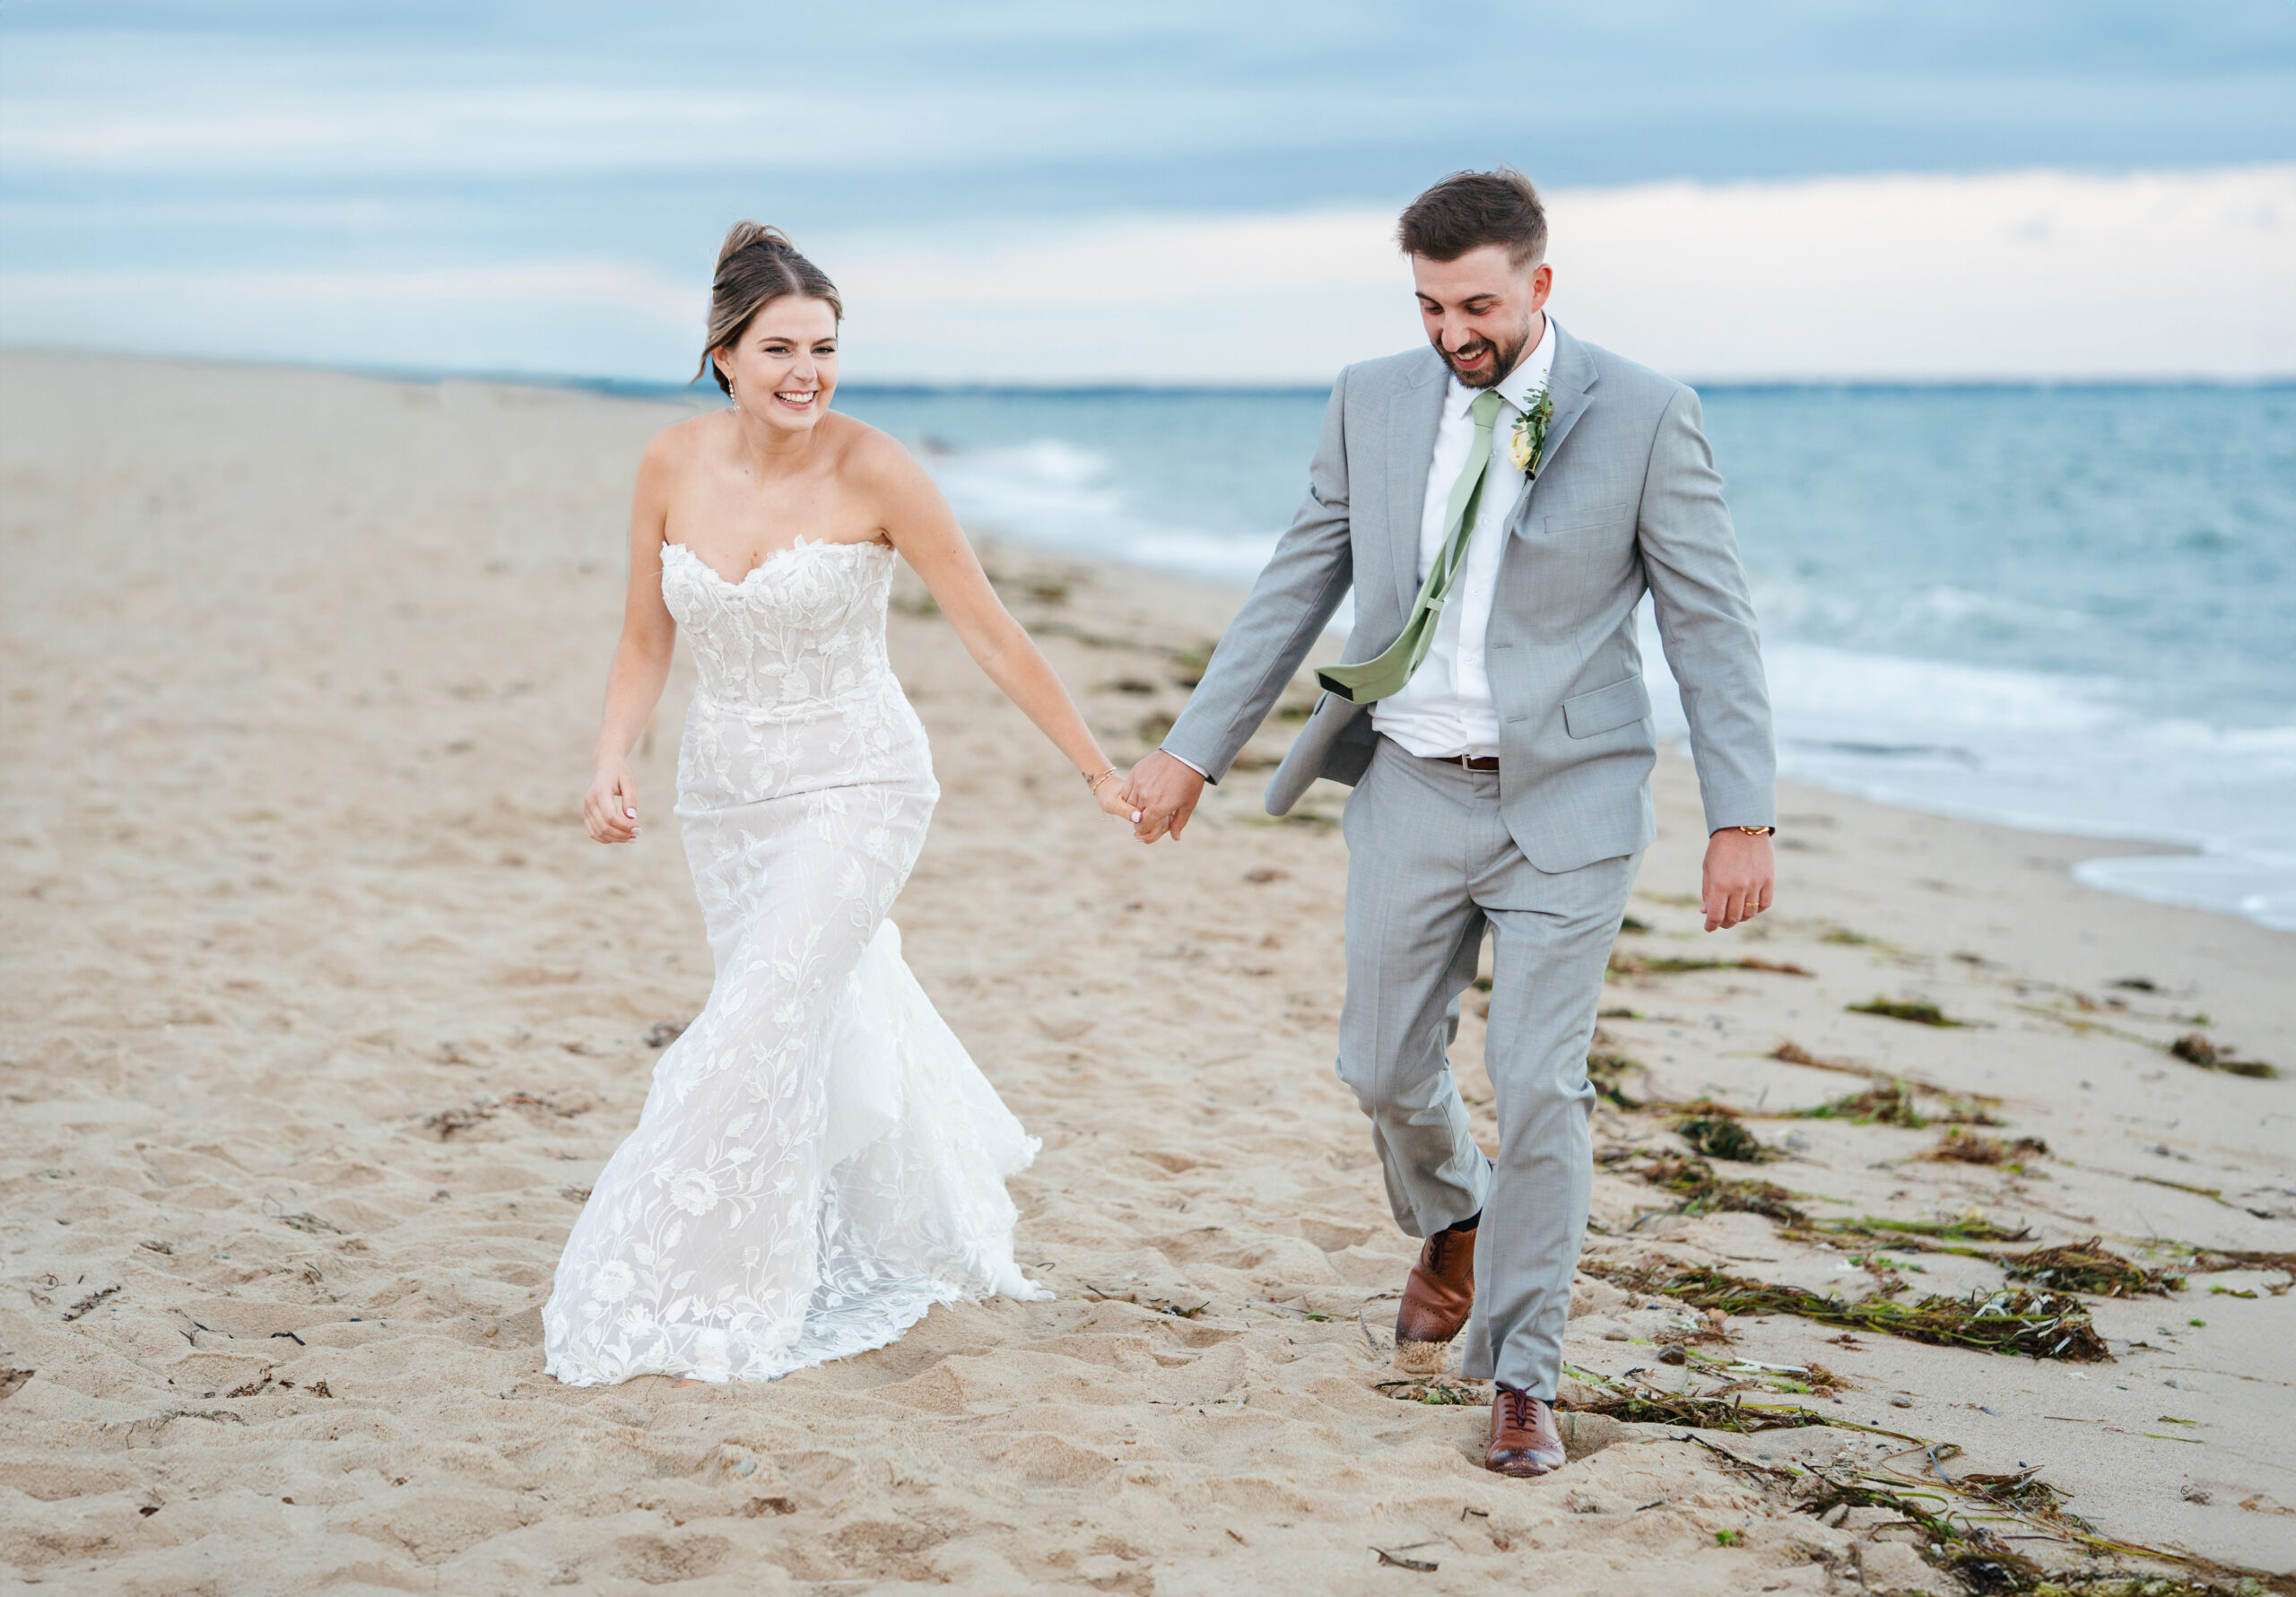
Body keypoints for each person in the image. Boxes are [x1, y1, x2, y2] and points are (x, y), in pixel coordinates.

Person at [1120, 169, 1776, 1476]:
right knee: (1378, 1066)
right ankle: (1455, 1214)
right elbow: (1294, 583)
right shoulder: (1372, 399)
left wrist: (1739, 815)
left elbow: (1711, 619)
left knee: (1542, 1085)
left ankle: (1522, 1373)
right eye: (1428, 304)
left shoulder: (1647, 415)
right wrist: (1195, 748)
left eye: (1475, 303)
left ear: (1541, 283)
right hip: (1412, 782)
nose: (1450, 331)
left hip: (1572, 801)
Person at [544, 221, 1137, 1385]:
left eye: (823, 346)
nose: (806, 370)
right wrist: (611, 756)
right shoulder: (668, 463)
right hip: (724, 798)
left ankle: (696, 1278)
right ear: (723, 352)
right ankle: (887, 1231)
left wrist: (1096, 768)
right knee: (806, 1012)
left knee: (757, 1016)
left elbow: (989, 629)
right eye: (779, 347)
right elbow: (642, 635)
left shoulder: (878, 469)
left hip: (860, 781)